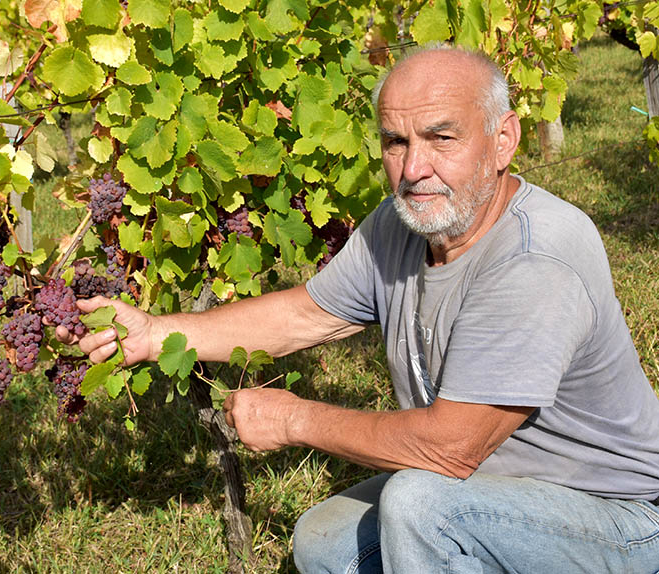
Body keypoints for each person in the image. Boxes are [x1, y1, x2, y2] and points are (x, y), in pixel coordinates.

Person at [58, 46, 659, 573]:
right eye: (396, 142)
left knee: (420, 506)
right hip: (495, 491)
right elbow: (304, 315)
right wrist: (157, 331)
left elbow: (450, 449)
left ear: (504, 140)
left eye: (441, 137)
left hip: (618, 522)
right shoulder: (402, 227)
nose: (414, 168)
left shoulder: (536, 257)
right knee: (325, 546)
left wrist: (294, 421)